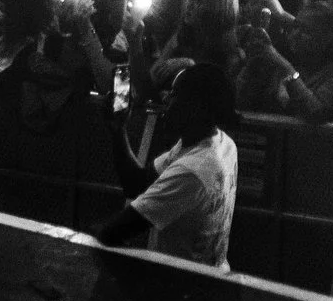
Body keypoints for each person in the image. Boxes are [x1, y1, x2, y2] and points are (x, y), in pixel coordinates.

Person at [91, 59, 240, 266]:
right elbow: (136, 184)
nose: (166, 99)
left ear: (196, 108)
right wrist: (119, 129)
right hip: (211, 274)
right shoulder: (222, 143)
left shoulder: (193, 171)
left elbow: (112, 233)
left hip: (183, 282)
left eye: (175, 94)